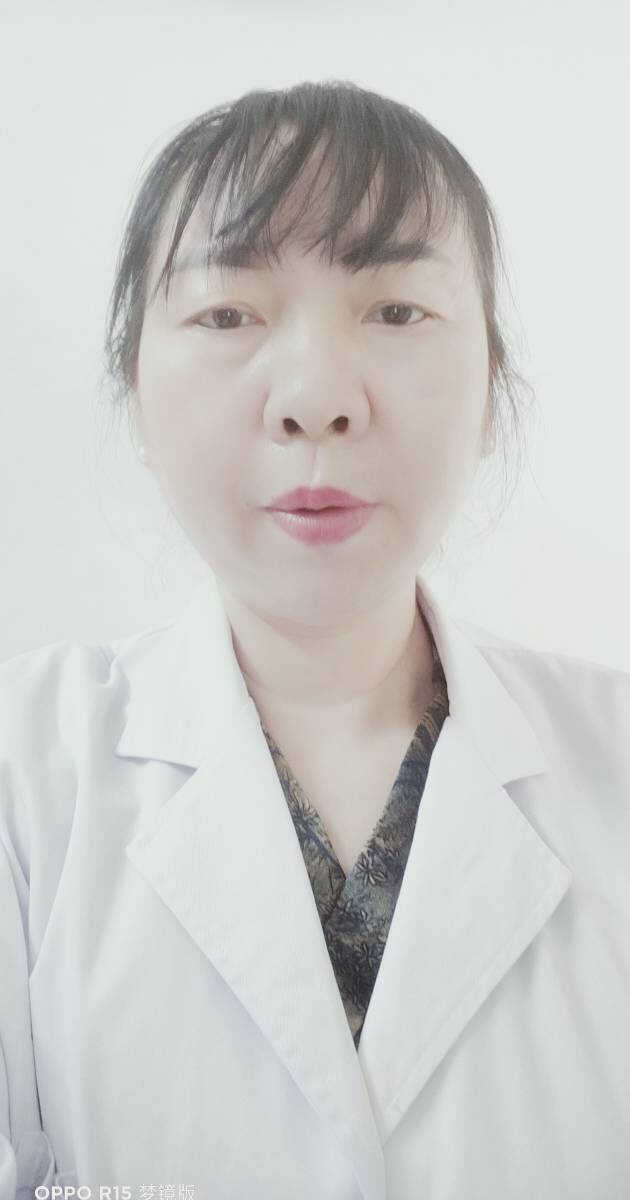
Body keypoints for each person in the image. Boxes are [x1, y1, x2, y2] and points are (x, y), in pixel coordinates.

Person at [1, 80, 629, 1200]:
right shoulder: (22, 776)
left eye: (396, 311)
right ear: (132, 382)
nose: (315, 398)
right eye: (227, 314)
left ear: (493, 386)